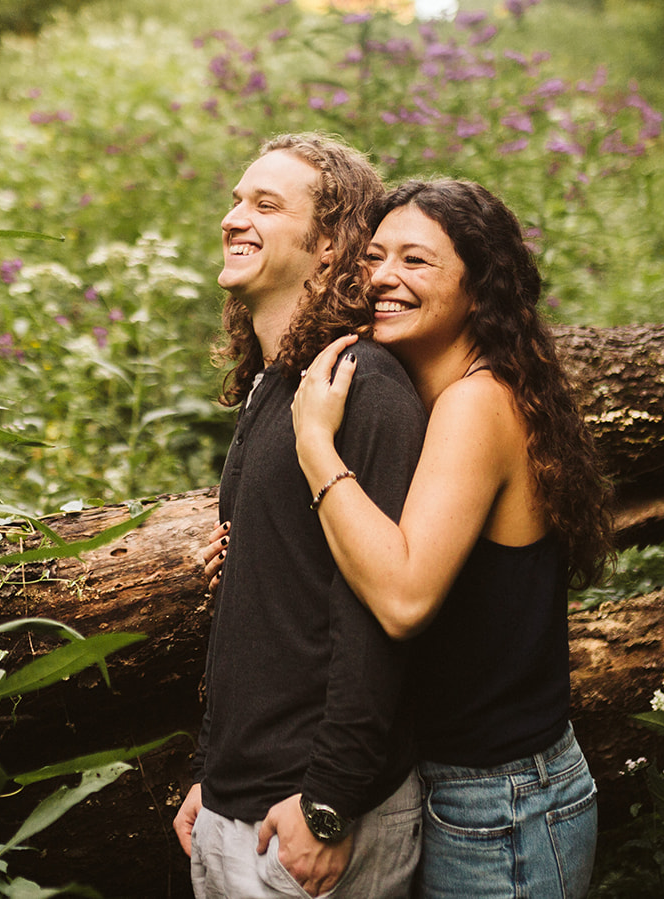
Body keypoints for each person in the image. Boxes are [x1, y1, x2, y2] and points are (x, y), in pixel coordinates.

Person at [204, 177, 613, 898]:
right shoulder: (429, 391)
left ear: (479, 288)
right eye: (376, 255)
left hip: (503, 801)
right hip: (451, 782)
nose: (385, 277)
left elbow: (402, 597)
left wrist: (316, 443)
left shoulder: (476, 403)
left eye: (416, 261)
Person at [174, 133, 428, 899]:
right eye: (235, 198)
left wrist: (329, 801)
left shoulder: (362, 384)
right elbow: (272, 603)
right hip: (239, 804)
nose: (233, 217)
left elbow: (380, 616)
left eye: (264, 204)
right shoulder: (276, 386)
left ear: (326, 246)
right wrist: (212, 776)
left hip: (313, 823)